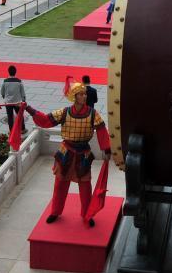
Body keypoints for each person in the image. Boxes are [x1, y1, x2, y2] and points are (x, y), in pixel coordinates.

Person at [24, 82, 111, 226]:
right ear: (74, 97)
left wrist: (106, 149)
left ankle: (86, 214)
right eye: (81, 94)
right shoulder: (64, 112)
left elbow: (102, 131)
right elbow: (45, 120)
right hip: (66, 151)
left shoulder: (92, 113)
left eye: (85, 94)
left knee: (85, 186)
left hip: (83, 152)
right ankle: (55, 211)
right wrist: (29, 108)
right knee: (60, 184)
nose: (84, 96)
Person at [0, 66, 26, 132]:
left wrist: (5, 98)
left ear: (8, 72)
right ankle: (22, 129)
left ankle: (11, 131)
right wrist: (23, 100)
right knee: (20, 116)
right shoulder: (19, 82)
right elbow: (22, 92)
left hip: (8, 103)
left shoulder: (5, 81)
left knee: (10, 117)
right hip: (17, 102)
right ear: (15, 72)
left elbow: (2, 92)